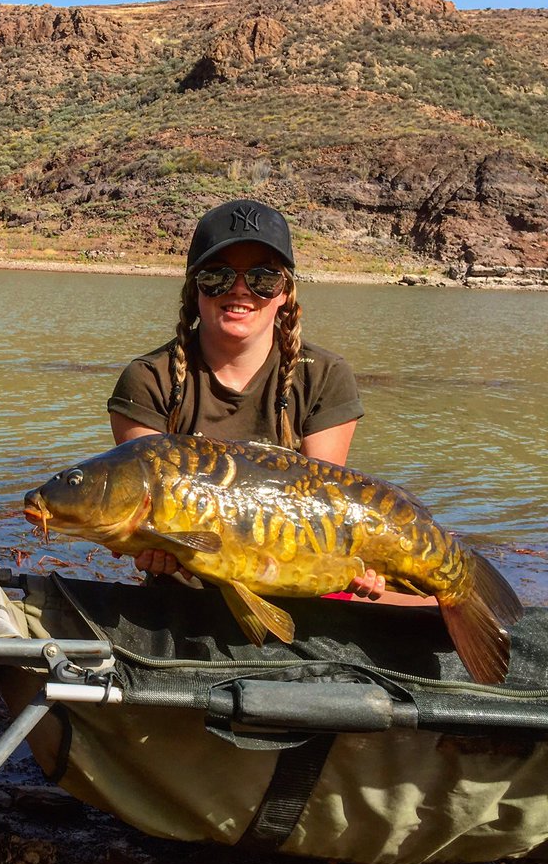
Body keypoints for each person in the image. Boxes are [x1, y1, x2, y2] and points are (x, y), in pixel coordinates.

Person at [108, 198, 414, 602]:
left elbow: (323, 505)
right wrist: (147, 546)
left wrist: (363, 564)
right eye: (217, 276)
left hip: (296, 579)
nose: (239, 289)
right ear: (193, 289)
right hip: (185, 595)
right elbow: (136, 513)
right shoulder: (149, 378)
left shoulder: (324, 375)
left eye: (263, 277)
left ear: (285, 292)